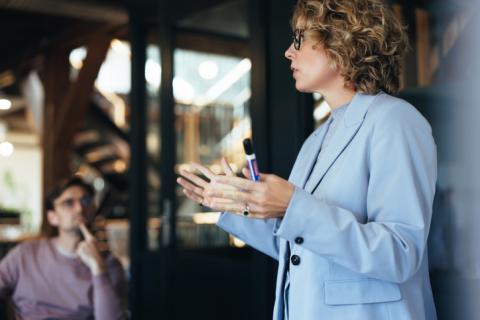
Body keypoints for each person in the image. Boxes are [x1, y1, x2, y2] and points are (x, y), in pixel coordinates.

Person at [177, 0, 437, 319]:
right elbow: (301, 249)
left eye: (299, 39)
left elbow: (400, 252)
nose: (289, 51)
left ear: (341, 41)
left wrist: (292, 206)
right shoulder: (317, 138)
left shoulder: (396, 121)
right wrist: (236, 203)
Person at [0, 176, 127, 320]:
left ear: (93, 210)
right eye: (68, 203)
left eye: (86, 201)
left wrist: (98, 267)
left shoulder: (109, 263)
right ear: (52, 217)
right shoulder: (24, 255)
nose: (80, 208)